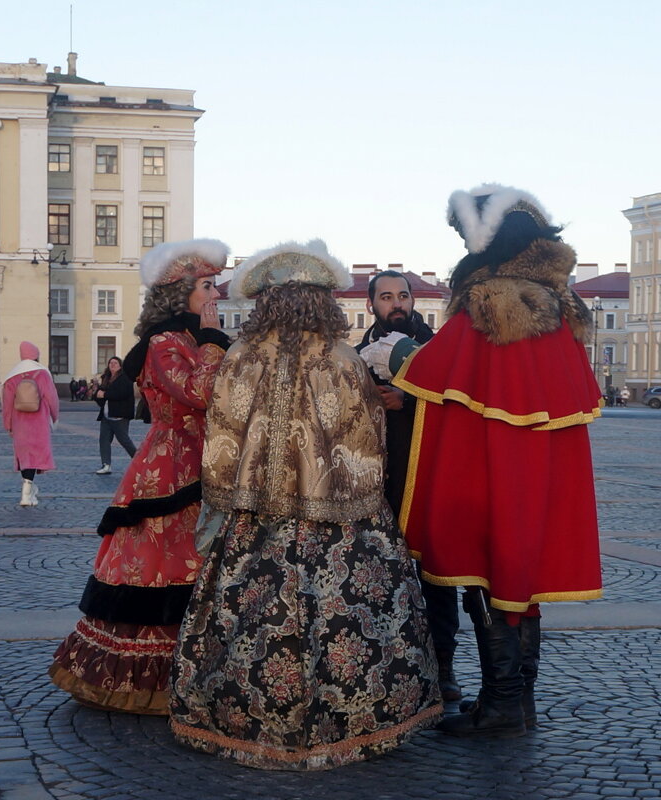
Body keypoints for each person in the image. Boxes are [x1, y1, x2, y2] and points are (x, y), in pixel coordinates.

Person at [170, 240, 442, 771]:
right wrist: (368, 505)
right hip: (340, 523)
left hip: (255, 523)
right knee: (350, 622)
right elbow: (366, 441)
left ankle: (240, 715)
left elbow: (221, 436)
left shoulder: (241, 357)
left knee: (245, 616)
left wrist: (225, 498)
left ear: (265, 302)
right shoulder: (343, 360)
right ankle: (352, 720)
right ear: (322, 301)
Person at [392, 184, 603, 738]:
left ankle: (503, 703)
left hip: (491, 465)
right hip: (545, 471)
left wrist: (389, 354)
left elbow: (435, 367)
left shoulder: (489, 303)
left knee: (485, 571)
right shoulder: (561, 305)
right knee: (522, 577)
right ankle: (515, 700)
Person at [49, 238, 232, 713]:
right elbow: (199, 393)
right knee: (162, 557)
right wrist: (215, 344)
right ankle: (150, 677)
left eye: (216, 285)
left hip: (213, 460)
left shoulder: (196, 339)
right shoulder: (164, 342)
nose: (216, 295)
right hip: (171, 468)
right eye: (208, 286)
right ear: (180, 293)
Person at [356, 270, 461, 703]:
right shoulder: (358, 354)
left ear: (414, 300)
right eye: (386, 297)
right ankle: (385, 667)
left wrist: (408, 399)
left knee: (437, 576)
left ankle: (445, 666)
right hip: (379, 483)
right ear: (371, 306)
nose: (396, 303)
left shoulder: (440, 347)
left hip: (432, 478)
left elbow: (458, 397)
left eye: (403, 296)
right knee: (378, 577)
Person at [1, 341, 59, 507]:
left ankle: (29, 489)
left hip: (20, 423)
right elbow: (52, 398)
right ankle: (27, 492)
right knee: (35, 456)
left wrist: (8, 425)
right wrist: (55, 416)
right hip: (39, 421)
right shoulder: (42, 374)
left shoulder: (12, 376)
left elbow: (7, 404)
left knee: (25, 456)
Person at [93, 356, 136, 475]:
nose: (112, 365)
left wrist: (105, 394)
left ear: (120, 365)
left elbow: (121, 394)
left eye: (115, 363)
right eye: (110, 363)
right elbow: (100, 394)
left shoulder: (124, 378)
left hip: (120, 415)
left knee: (124, 440)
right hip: (106, 415)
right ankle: (106, 465)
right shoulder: (106, 377)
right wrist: (97, 395)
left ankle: (139, 460)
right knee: (104, 440)